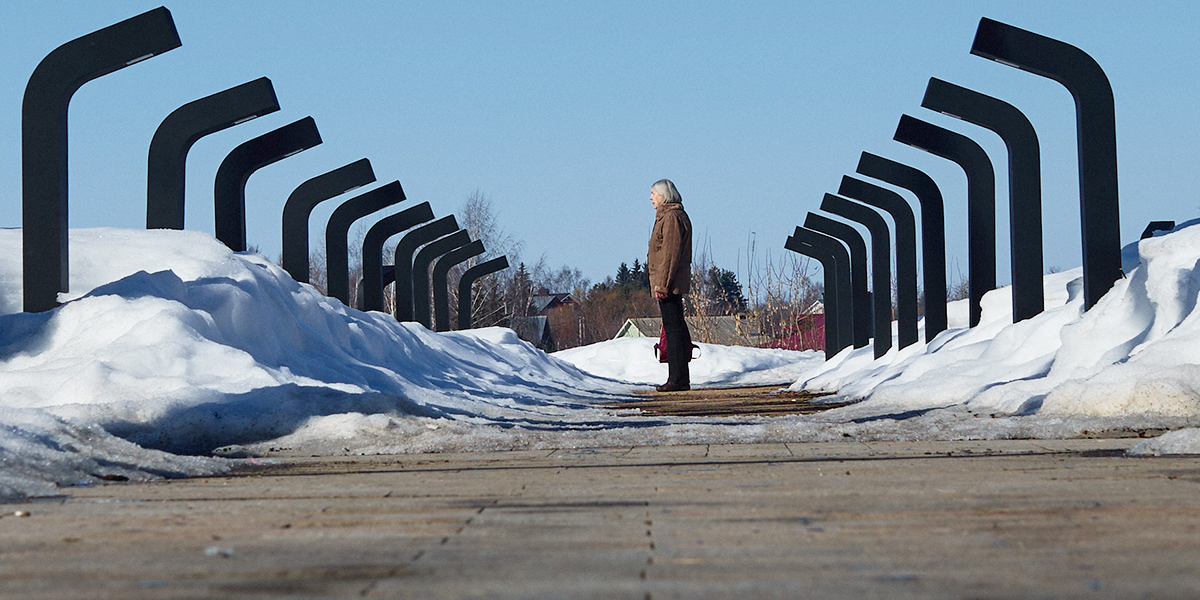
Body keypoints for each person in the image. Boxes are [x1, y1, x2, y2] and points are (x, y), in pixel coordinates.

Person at [647, 179, 693, 392]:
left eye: (653, 194)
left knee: (673, 329)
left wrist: (662, 285)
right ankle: (678, 377)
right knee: (674, 327)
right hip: (669, 282)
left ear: (664, 195)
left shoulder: (672, 217)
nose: (651, 198)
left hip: (669, 284)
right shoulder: (668, 217)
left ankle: (677, 379)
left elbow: (670, 254)